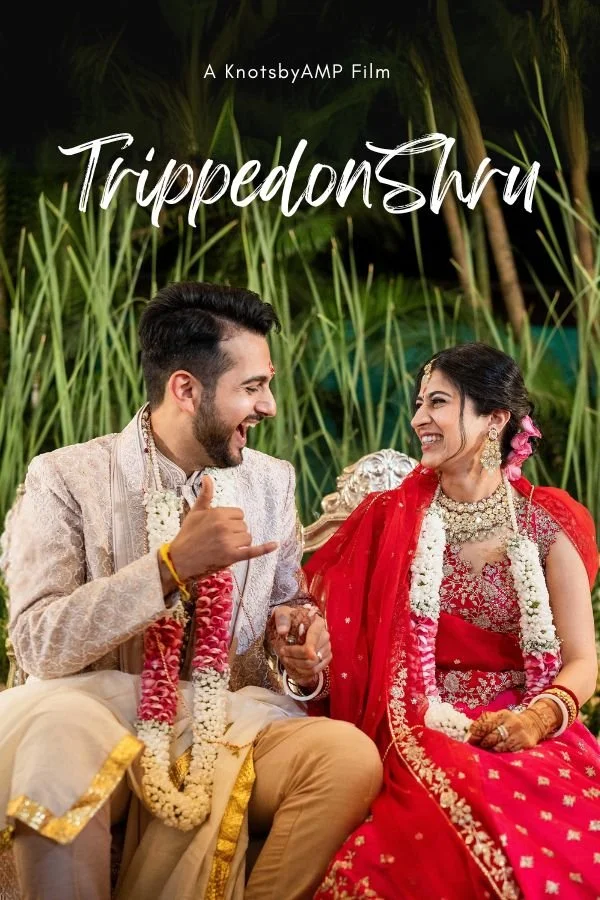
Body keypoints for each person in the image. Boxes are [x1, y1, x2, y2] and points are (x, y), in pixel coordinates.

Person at [0, 281, 382, 900]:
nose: (269, 406)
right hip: (95, 714)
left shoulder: (269, 483)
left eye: (268, 385)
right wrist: (168, 568)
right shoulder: (67, 477)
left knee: (347, 757)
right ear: (186, 389)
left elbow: (287, 607)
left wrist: (301, 651)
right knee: (57, 739)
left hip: (228, 720)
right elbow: (38, 643)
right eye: (251, 388)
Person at [305, 343, 600, 899]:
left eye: (437, 402)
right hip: (420, 719)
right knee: (456, 807)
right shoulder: (390, 519)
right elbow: (331, 636)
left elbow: (583, 660)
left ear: (495, 419)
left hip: (531, 721)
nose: (419, 418)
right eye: (419, 403)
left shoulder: (546, 523)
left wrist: (537, 719)